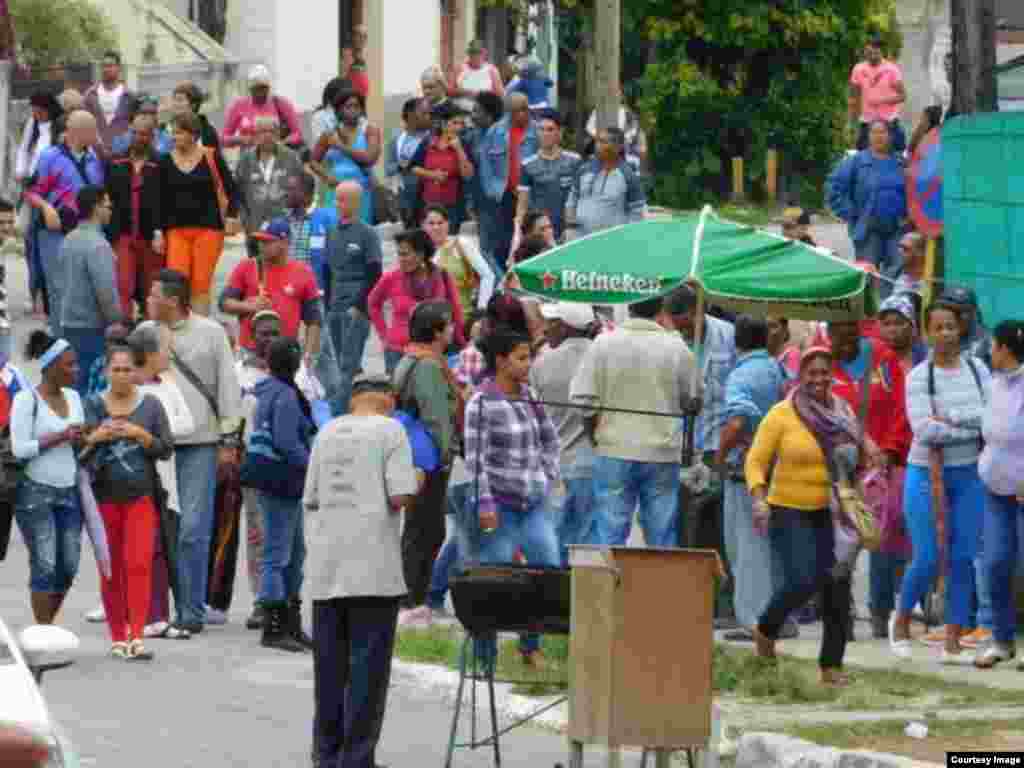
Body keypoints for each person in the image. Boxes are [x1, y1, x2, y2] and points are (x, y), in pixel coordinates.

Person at [305, 373, 418, 768]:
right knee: (367, 673)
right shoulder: (392, 431)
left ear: (354, 400)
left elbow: (314, 497)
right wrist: (418, 478)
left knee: (330, 672)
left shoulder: (327, 431)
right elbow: (400, 494)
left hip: (326, 569)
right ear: (386, 399)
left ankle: (327, 755)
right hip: (373, 571)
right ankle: (356, 759)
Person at [746, 347, 858, 686]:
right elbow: (755, 461)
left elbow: (859, 449)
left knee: (837, 585)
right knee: (803, 579)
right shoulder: (781, 415)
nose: (819, 379)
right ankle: (766, 630)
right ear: (800, 376)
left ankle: (831, 667)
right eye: (812, 372)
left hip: (832, 510)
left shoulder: (843, 413)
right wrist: (759, 498)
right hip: (788, 509)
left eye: (825, 372)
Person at [889, 302, 990, 664]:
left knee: (963, 557)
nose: (947, 334)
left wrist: (951, 417)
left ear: (960, 329)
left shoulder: (978, 370)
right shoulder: (919, 377)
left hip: (969, 473)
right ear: (927, 333)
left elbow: (989, 419)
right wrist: (969, 425)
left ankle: (953, 638)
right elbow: (924, 429)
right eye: (939, 328)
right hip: (925, 472)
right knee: (928, 555)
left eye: (952, 326)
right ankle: (900, 621)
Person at [148, 269, 242, 635]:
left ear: (173, 300)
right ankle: (154, 611)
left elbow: (228, 390)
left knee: (193, 530)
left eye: (155, 294)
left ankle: (190, 611)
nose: (149, 300)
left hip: (200, 445)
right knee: (160, 531)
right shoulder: (146, 334)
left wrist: (229, 441)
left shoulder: (212, 333)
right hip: (155, 447)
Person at [465, 326, 561, 666]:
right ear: (502, 361)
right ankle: (484, 656)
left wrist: (546, 476)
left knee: (546, 568)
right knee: (493, 578)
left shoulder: (530, 395)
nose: (528, 363)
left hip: (532, 504)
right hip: (499, 507)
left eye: (529, 356)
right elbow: (475, 460)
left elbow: (550, 440)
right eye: (522, 358)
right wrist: (485, 505)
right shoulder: (480, 403)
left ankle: (530, 646)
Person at [570, 295, 696, 547]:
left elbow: (583, 400)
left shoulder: (603, 344)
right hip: (662, 452)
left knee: (609, 534)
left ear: (629, 306)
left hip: (613, 448)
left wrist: (593, 434)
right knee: (661, 537)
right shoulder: (677, 348)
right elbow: (693, 401)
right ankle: (658, 587)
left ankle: (607, 586)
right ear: (661, 309)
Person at [83, 343, 172, 660]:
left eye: (127, 369)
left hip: (141, 497)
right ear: (107, 372)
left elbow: (166, 448)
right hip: (103, 499)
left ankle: (136, 635)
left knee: (138, 565)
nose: (121, 375)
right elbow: (78, 452)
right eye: (115, 369)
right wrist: (96, 437)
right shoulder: (93, 405)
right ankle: (117, 636)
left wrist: (141, 435)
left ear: (135, 372)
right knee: (111, 568)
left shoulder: (150, 406)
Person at [826, 319, 911, 639]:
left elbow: (903, 408)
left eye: (847, 333)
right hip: (836, 470)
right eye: (835, 333)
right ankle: (840, 613)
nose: (841, 341)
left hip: (877, 470)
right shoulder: (822, 361)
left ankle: (880, 611)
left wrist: (889, 450)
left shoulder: (883, 359)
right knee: (840, 544)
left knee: (880, 540)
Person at [715, 316, 789, 642]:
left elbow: (738, 420)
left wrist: (719, 456)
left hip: (745, 469)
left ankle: (754, 621)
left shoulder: (740, 375)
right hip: (778, 466)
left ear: (737, 341)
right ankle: (779, 617)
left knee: (746, 545)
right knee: (771, 544)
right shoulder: (779, 369)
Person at [391, 302, 460, 626]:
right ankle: (413, 600)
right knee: (427, 530)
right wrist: (445, 456)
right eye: (446, 325)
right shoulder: (429, 366)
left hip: (413, 455)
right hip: (427, 460)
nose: (451, 329)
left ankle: (410, 597)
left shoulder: (410, 357)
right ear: (435, 331)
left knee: (418, 528)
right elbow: (436, 418)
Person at [245, 337, 315, 652]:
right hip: (283, 480)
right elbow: (288, 444)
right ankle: (275, 627)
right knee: (279, 555)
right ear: (295, 364)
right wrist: (313, 465)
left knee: (294, 553)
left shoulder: (266, 390)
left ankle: (290, 621)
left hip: (273, 479)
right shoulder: (286, 396)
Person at [11, 331, 85, 625]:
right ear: (50, 367)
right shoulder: (26, 400)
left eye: (75, 364)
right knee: (45, 564)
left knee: (68, 565)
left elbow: (76, 442)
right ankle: (43, 632)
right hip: (35, 491)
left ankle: (46, 626)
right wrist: (60, 437)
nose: (75, 370)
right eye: (69, 365)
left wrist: (85, 438)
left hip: (69, 489)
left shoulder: (74, 397)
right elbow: (19, 449)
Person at [128, 321, 195, 639]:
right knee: (145, 549)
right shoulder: (133, 390)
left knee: (168, 547)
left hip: (167, 481)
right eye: (167, 348)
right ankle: (146, 614)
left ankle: (169, 614)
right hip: (138, 481)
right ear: (152, 354)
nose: (171, 354)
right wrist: (159, 433)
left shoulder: (168, 384)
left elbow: (188, 424)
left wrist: (157, 432)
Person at [530, 302, 597, 566]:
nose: (546, 329)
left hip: (554, 463)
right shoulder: (600, 357)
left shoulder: (542, 363)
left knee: (555, 535)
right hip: (592, 461)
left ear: (566, 327)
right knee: (588, 536)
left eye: (552, 323)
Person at [26, 110, 104, 336]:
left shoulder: (93, 159)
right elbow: (31, 191)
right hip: (54, 232)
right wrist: (46, 207)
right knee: (59, 289)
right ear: (77, 132)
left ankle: (84, 338)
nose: (96, 135)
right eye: (92, 130)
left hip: (86, 231)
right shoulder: (50, 157)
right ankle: (62, 343)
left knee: (87, 286)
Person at [157, 112, 240, 316]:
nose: (174, 137)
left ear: (193, 135)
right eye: (173, 133)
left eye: (179, 133)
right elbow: (158, 198)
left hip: (209, 229)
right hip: (175, 230)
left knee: (200, 284)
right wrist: (158, 231)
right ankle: (178, 326)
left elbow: (231, 188)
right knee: (176, 283)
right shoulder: (164, 160)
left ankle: (201, 327)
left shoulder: (211, 156)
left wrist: (231, 216)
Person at [976, 320, 1024, 668]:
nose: (990, 351)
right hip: (995, 492)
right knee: (995, 563)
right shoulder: (993, 384)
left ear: (1006, 349)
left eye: (994, 345)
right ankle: (1002, 640)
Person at [318, 181, 383, 414]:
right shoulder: (332, 231)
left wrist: (360, 306)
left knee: (348, 361)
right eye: (336, 198)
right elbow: (326, 270)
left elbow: (375, 273)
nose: (338, 204)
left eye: (343, 199)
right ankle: (360, 403)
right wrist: (326, 306)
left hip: (355, 306)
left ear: (356, 202)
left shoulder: (367, 233)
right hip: (334, 304)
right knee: (342, 362)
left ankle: (338, 413)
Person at [235, 311, 282, 630]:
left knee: (283, 536)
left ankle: (282, 599)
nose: (270, 339)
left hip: (288, 466)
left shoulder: (297, 369)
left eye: (275, 333)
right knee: (257, 533)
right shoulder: (238, 373)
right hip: (254, 462)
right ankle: (260, 601)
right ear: (252, 335)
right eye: (264, 333)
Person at [221, 216, 322, 359]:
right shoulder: (247, 267)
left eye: (267, 241)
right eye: (260, 241)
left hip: (286, 354)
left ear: (285, 242)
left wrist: (308, 355)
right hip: (251, 353)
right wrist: (248, 306)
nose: (261, 245)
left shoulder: (303, 272)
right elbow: (224, 302)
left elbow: (314, 319)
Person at [368, 229, 465, 375]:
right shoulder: (391, 278)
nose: (400, 259)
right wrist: (384, 336)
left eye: (405, 254)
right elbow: (373, 303)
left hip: (433, 353)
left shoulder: (441, 276)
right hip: (398, 353)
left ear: (421, 254)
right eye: (399, 254)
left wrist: (462, 344)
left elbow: (455, 312)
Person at [827, 121, 907, 296]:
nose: (879, 136)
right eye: (874, 132)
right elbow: (834, 189)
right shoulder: (856, 161)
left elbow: (914, 191)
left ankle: (887, 310)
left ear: (891, 136)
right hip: (868, 230)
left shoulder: (901, 162)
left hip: (897, 229)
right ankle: (869, 316)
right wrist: (851, 214)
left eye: (883, 132)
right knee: (867, 275)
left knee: (897, 273)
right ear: (868, 136)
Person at [58, 185, 125, 393]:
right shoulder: (98, 245)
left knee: (73, 384)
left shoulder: (68, 239)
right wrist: (117, 319)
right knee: (90, 389)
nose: (110, 211)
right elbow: (106, 293)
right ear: (96, 208)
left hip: (67, 323)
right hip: (91, 328)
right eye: (108, 206)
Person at [107, 115, 164, 319]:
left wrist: (160, 232)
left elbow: (166, 201)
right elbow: (108, 196)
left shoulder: (161, 163)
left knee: (151, 287)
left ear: (152, 136)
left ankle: (151, 329)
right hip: (122, 233)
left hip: (151, 236)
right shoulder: (116, 160)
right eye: (135, 133)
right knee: (123, 284)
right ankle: (123, 329)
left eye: (144, 134)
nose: (139, 138)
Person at [474, 92, 539, 273]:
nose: (524, 114)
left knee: (529, 241)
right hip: (503, 196)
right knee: (502, 243)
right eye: (519, 110)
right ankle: (504, 283)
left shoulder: (537, 131)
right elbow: (485, 164)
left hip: (529, 198)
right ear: (509, 112)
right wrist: (493, 190)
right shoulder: (495, 132)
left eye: (526, 108)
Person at [16, 92, 62, 317]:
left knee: (44, 246)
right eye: (33, 109)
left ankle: (45, 299)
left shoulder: (58, 126)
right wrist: (20, 172)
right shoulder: (32, 125)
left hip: (51, 190)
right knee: (29, 243)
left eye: (39, 110)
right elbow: (23, 150)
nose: (36, 114)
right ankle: (33, 295)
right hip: (31, 186)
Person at [235, 116, 304, 256]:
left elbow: (301, 189)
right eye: (262, 132)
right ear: (255, 135)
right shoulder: (245, 160)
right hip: (255, 229)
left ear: (278, 134)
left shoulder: (291, 157)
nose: (267, 136)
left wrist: (296, 220)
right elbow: (238, 195)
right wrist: (246, 223)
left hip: (284, 229)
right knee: (257, 272)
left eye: (271, 131)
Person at [311, 89, 381, 217]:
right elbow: (313, 161)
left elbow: (369, 158)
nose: (353, 110)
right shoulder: (329, 134)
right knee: (335, 230)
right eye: (348, 106)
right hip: (337, 191)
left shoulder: (370, 131)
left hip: (361, 192)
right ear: (339, 110)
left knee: (361, 231)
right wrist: (326, 177)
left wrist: (340, 146)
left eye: (357, 106)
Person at [568, 126, 646, 238]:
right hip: (581, 241)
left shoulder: (628, 176)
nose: (597, 146)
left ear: (618, 147)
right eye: (597, 141)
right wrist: (570, 228)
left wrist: (629, 238)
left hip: (612, 243)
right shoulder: (584, 170)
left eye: (603, 142)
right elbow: (572, 200)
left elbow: (638, 211)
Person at [517, 110, 581, 242]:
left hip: (568, 233)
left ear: (559, 132)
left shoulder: (574, 161)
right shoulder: (527, 165)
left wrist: (572, 228)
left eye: (550, 129)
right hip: (540, 235)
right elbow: (522, 206)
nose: (545, 134)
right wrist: (518, 236)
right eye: (541, 129)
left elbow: (581, 198)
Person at [410, 103, 475, 234]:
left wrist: (459, 149)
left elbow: (468, 174)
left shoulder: (464, 143)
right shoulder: (428, 142)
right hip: (428, 203)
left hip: (453, 205)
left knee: (449, 241)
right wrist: (432, 175)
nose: (459, 127)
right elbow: (413, 167)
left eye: (461, 123)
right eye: (455, 123)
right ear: (443, 123)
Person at [422, 204, 494, 318]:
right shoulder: (418, 252)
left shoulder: (462, 244)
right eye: (431, 223)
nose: (436, 227)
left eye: (440, 223)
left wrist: (482, 309)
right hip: (430, 323)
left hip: (462, 318)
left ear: (448, 224)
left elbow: (488, 276)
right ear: (423, 226)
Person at [222, 65, 303, 150]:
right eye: (256, 89)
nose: (260, 92)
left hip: (276, 157)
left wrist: (282, 143)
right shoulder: (239, 105)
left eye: (263, 88)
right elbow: (223, 139)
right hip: (248, 159)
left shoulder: (282, 105)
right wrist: (240, 139)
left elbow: (297, 134)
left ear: (269, 87)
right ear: (250, 89)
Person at [849, 36, 907, 154]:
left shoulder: (891, 69)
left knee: (896, 155)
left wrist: (882, 100)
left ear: (881, 52)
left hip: (888, 122)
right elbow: (854, 97)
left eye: (876, 53)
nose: (873, 56)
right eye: (869, 53)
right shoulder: (858, 69)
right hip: (867, 122)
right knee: (863, 158)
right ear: (865, 53)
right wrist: (852, 123)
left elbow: (903, 96)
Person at [385, 98, 431, 229]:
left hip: (430, 199)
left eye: (429, 113)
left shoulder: (433, 138)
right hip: (405, 201)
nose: (429, 117)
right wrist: (400, 166)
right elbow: (389, 168)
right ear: (410, 116)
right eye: (424, 113)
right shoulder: (397, 140)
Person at [82, 51, 135, 150]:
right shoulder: (90, 95)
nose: (106, 69)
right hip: (95, 151)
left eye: (110, 66)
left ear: (119, 68)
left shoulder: (129, 96)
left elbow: (134, 125)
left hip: (122, 153)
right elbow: (84, 123)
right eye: (104, 66)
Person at [585, 88, 648, 172]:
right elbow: (589, 127)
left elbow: (633, 129)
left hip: (620, 148)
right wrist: (601, 137)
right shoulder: (598, 111)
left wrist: (622, 138)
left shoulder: (627, 112)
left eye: (617, 95)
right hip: (601, 147)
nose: (614, 97)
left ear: (621, 97)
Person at [940, 285, 992, 370]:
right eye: (947, 310)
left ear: (973, 313)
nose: (952, 317)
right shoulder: (937, 336)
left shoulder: (986, 342)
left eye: (959, 312)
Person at [451, 39, 505, 115]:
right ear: (468, 54)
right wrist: (465, 92)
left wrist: (481, 94)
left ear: (485, 53)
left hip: (483, 113)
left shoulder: (491, 70)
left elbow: (500, 94)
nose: (476, 56)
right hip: (460, 111)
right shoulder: (459, 68)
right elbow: (450, 91)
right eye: (472, 52)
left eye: (479, 52)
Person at [109, 95, 173, 157]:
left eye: (152, 113)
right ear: (134, 115)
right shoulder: (120, 140)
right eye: (143, 113)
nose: (149, 117)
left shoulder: (167, 139)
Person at [878, 293, 928, 374]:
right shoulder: (874, 360)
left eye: (899, 323)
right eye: (886, 324)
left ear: (912, 326)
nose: (892, 329)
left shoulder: (927, 357)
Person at [167, 81, 220, 149]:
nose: (175, 104)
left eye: (180, 100)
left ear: (193, 105)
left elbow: (215, 157)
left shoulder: (208, 132)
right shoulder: (167, 129)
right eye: (174, 99)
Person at [893, 231, 927, 296]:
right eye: (899, 247)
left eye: (905, 249)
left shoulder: (931, 282)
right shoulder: (889, 275)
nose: (899, 251)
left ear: (920, 253)